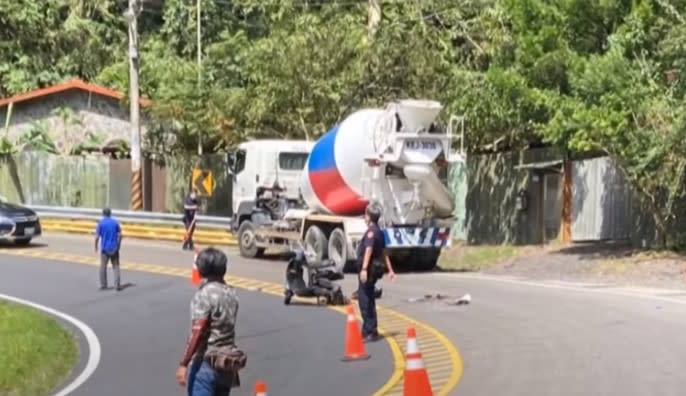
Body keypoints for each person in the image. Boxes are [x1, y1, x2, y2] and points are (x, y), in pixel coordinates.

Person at [176, 248, 240, 396]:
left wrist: (184, 363)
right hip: (227, 365)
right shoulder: (231, 293)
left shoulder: (204, 294)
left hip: (206, 363)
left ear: (202, 269)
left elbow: (198, 330)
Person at [357, 202, 396, 342]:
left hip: (369, 271)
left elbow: (368, 250)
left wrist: (364, 269)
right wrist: (390, 270)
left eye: (365, 215)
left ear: (369, 217)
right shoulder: (379, 231)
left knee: (365, 300)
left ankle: (370, 330)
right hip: (373, 270)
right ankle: (367, 329)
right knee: (368, 299)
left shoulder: (372, 232)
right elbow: (384, 253)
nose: (364, 218)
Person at [94, 208, 122, 291]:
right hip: (114, 248)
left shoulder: (101, 224)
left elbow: (97, 237)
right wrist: (118, 244)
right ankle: (117, 285)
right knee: (116, 266)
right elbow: (120, 235)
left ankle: (103, 285)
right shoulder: (115, 222)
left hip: (105, 249)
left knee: (103, 266)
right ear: (110, 214)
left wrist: (96, 246)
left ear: (103, 214)